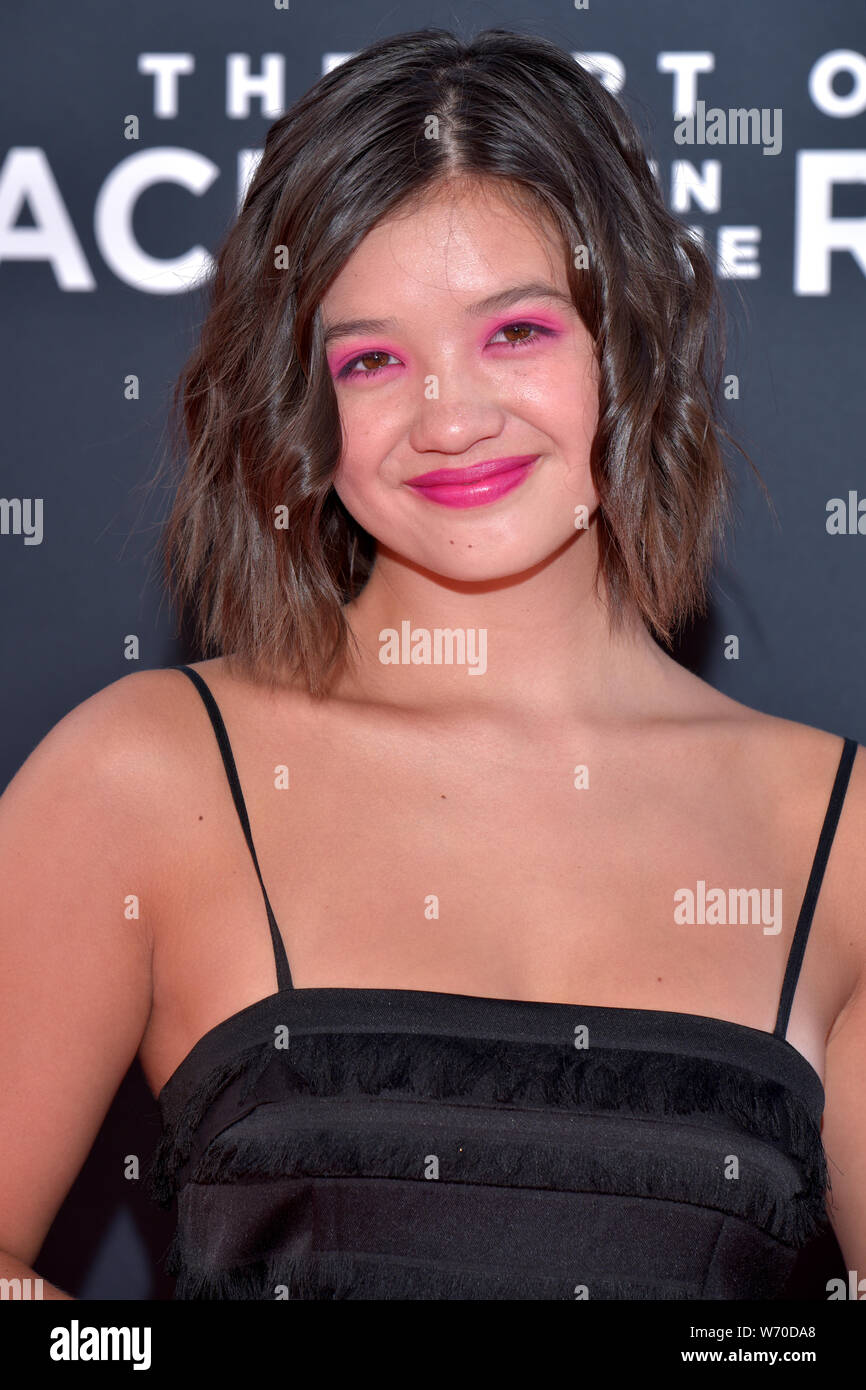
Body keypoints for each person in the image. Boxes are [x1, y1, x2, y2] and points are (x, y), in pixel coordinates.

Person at [0, 27, 863, 1302]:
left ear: (623, 342)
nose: (449, 416)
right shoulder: (151, 771)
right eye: (369, 360)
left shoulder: (831, 834)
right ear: (300, 404)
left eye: (514, 333)